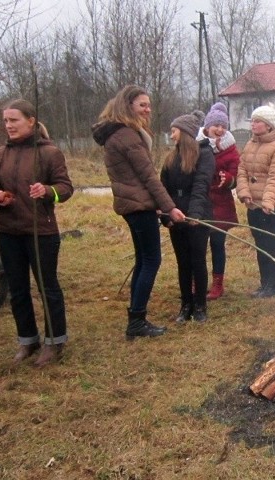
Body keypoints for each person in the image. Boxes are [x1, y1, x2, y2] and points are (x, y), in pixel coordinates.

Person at [92, 85, 185, 340]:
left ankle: (136, 316)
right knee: (151, 261)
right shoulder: (128, 136)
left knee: (143, 260)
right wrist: (170, 208)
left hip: (133, 205)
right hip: (138, 206)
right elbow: (149, 178)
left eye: (149, 104)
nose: (148, 109)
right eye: (142, 104)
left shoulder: (118, 134)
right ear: (127, 105)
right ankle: (136, 321)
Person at [0, 99, 73, 367]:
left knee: (47, 287)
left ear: (31, 120)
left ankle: (55, 341)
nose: (8, 125)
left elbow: (65, 187)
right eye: (5, 120)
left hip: (41, 231)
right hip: (7, 230)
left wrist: (47, 191)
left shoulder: (49, 153)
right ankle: (27, 339)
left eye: (14, 120)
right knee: (17, 289)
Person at [161, 111, 214, 323]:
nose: (171, 135)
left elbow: (201, 186)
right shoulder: (171, 157)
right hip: (176, 216)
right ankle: (186, 304)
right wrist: (167, 214)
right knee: (182, 262)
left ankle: (200, 305)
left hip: (197, 216)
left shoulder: (204, 154)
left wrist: (195, 215)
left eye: (174, 131)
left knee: (197, 261)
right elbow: (162, 187)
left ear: (184, 133)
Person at [236, 103, 275, 298]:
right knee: (260, 244)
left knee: (270, 245)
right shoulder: (250, 144)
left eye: (258, 121)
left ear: (268, 125)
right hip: (253, 204)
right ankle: (263, 283)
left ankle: (273, 285)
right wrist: (244, 192)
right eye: (253, 120)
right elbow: (241, 170)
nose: (253, 124)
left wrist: (268, 202)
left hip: (272, 205)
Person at [199, 102, 240, 301]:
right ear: (207, 126)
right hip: (199, 203)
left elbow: (236, 173)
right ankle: (196, 281)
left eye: (223, 126)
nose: (220, 129)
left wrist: (230, 180)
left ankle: (218, 284)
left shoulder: (230, 149)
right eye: (216, 125)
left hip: (220, 203)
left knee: (217, 244)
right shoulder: (195, 144)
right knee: (197, 245)